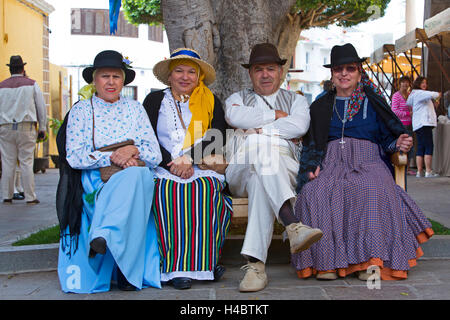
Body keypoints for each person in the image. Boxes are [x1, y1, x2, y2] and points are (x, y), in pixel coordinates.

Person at [292, 43, 434, 281]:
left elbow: (388, 139)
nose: (344, 73)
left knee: (370, 188)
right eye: (338, 69)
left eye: (350, 68)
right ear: (332, 74)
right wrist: (310, 164)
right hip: (331, 163)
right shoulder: (320, 105)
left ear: (359, 72)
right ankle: (326, 263)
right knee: (315, 192)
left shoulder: (373, 101)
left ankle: (369, 261)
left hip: (368, 161)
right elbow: (312, 142)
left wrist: (398, 144)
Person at [56, 50, 162, 293]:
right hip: (99, 179)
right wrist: (117, 156)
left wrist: (132, 150)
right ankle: (127, 273)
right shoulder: (82, 110)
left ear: (123, 81)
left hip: (135, 173)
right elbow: (74, 155)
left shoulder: (136, 109)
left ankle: (104, 234)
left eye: (116, 76)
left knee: (137, 176)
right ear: (94, 80)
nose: (111, 82)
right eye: (105, 76)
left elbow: (154, 155)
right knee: (135, 182)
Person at [224, 43, 323, 293]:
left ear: (281, 72)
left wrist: (256, 130)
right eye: (259, 69)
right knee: (258, 150)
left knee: (261, 172)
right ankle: (292, 223)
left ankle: (256, 266)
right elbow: (235, 117)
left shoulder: (297, 101)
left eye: (271, 68)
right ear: (250, 73)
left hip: (284, 167)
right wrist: (277, 118)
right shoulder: (236, 99)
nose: (265, 74)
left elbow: (299, 126)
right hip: (241, 169)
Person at [142, 48, 232, 290]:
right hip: (163, 166)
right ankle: (173, 268)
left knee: (204, 189)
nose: (185, 77)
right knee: (167, 192)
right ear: (169, 76)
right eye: (179, 71)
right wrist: (171, 165)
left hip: (199, 165)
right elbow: (146, 136)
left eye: (191, 72)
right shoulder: (154, 100)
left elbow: (218, 136)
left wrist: (188, 159)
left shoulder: (210, 100)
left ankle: (206, 265)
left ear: (199, 76)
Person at [0, 55, 46, 204]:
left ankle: (7, 196)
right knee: (26, 162)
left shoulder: (2, 86)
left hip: (5, 127)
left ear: (10, 69)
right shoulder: (32, 84)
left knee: (8, 162)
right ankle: (30, 196)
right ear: (22, 68)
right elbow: (40, 107)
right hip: (26, 126)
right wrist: (42, 127)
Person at [406, 76, 441, 178]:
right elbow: (434, 94)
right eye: (422, 83)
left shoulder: (415, 94)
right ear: (418, 84)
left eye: (425, 83)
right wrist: (438, 95)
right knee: (428, 146)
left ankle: (419, 171)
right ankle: (428, 170)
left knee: (420, 147)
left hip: (418, 124)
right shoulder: (420, 93)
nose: (425, 84)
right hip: (424, 123)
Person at [391, 76, 415, 175]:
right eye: (403, 82)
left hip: (410, 124)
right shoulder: (396, 95)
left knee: (410, 147)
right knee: (402, 146)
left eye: (407, 82)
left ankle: (408, 167)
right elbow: (394, 111)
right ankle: (401, 166)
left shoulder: (409, 95)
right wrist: (408, 114)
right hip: (401, 125)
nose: (405, 84)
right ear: (399, 84)